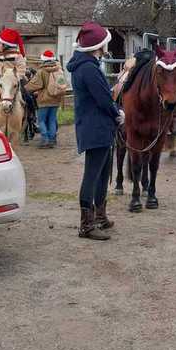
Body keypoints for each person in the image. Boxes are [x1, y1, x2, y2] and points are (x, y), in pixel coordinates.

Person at [66, 21, 124, 241]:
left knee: (102, 174)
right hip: (96, 128)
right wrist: (118, 113)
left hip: (98, 127)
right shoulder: (89, 68)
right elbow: (103, 99)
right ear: (98, 46)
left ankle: (100, 217)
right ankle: (86, 225)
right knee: (92, 175)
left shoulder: (87, 65)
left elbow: (102, 95)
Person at [25, 50, 66, 148]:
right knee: (52, 120)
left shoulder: (42, 71)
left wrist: (25, 87)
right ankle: (52, 140)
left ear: (43, 59)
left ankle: (45, 140)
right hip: (56, 99)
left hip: (44, 100)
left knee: (41, 120)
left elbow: (36, 84)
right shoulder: (58, 70)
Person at [0, 28, 27, 104]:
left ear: (6, 45)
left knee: (26, 95)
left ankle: (32, 109)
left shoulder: (17, 55)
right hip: (0, 79)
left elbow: (21, 68)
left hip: (14, 80)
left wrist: (16, 78)